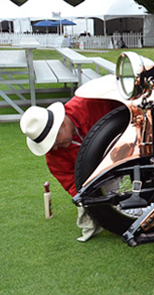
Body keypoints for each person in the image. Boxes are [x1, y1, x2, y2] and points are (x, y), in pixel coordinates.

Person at [20, 97, 120, 241]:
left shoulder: (89, 103)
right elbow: (72, 183)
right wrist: (89, 204)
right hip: (104, 172)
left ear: (62, 125)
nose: (53, 148)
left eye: (53, 141)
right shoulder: (53, 157)